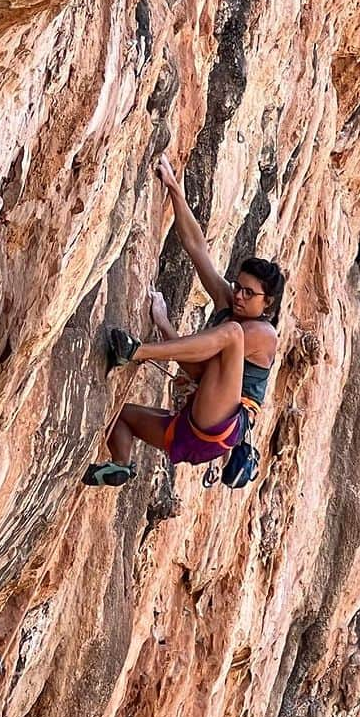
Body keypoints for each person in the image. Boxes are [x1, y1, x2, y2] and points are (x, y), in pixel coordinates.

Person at [83, 154, 285, 487]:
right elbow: (196, 248)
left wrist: (159, 335)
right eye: (238, 287)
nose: (239, 295)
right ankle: (120, 464)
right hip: (193, 431)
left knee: (232, 333)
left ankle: (135, 351)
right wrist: (175, 187)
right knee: (120, 415)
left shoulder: (263, 335)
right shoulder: (228, 304)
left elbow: (203, 364)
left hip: (222, 424)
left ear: (268, 303)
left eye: (250, 293)